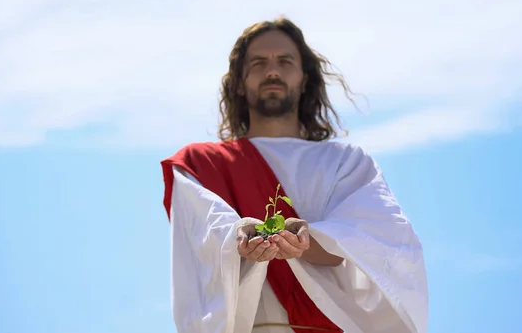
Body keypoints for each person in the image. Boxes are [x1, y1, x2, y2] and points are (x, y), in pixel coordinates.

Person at [160, 17, 428, 333]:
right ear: (238, 82)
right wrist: (242, 235)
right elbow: (205, 239)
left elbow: (378, 239)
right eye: (258, 62)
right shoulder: (200, 163)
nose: (272, 71)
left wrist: (304, 242)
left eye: (285, 61)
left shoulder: (345, 162)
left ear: (304, 78)